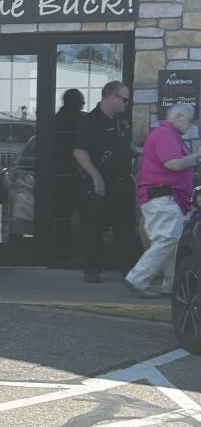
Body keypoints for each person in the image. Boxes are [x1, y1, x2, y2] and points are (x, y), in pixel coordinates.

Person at [124, 104, 200, 297]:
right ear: (179, 117)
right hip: (164, 197)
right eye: (190, 120)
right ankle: (137, 278)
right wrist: (196, 156)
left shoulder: (169, 135)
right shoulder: (166, 134)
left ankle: (172, 285)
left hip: (167, 198)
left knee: (173, 243)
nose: (190, 125)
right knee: (168, 240)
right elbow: (172, 163)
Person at [73, 81, 137, 283]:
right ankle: (92, 269)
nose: (126, 104)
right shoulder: (90, 121)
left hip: (123, 181)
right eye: (124, 99)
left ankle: (129, 270)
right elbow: (79, 151)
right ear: (111, 97)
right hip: (101, 183)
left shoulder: (122, 121)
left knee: (126, 228)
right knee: (95, 227)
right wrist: (95, 176)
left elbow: (126, 145)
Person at [51, 89, 84, 265]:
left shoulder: (54, 121)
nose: (83, 105)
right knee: (78, 215)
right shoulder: (81, 121)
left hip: (58, 173)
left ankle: (60, 251)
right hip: (73, 173)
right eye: (80, 102)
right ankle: (73, 253)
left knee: (61, 215)